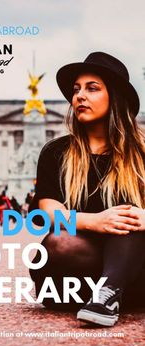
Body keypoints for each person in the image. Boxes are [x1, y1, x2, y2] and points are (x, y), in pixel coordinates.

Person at [29, 52, 145, 327]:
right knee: (59, 241)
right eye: (76, 90)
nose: (80, 96)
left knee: (128, 219)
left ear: (114, 97)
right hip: (74, 273)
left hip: (133, 266)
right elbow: (48, 212)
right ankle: (108, 293)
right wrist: (95, 221)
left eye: (92, 88)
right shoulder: (56, 152)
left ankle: (107, 294)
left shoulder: (141, 153)